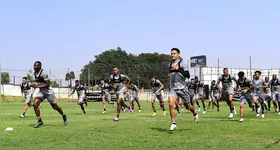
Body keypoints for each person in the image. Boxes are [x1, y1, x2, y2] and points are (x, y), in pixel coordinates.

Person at [168, 48, 198, 131]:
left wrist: (179, 69)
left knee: (188, 106)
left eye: (174, 53)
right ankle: (173, 123)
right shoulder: (169, 64)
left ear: (178, 54)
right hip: (173, 88)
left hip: (182, 89)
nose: (172, 55)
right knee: (171, 104)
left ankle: (194, 112)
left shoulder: (182, 63)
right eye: (171, 53)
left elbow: (187, 75)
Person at [31, 61, 68, 128]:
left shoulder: (43, 73)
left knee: (55, 107)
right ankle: (39, 121)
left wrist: (37, 86)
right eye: (34, 65)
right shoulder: (34, 74)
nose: (34, 67)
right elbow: (38, 83)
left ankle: (63, 115)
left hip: (48, 92)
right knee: (35, 104)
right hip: (41, 91)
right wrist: (34, 87)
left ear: (39, 66)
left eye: (35, 65)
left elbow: (48, 85)